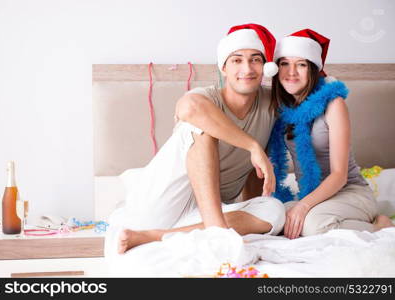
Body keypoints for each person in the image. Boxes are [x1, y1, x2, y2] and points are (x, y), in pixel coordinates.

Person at [104, 23, 286, 255]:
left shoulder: (270, 105)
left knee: (275, 210)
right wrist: (252, 145)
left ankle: (159, 237)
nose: (247, 68)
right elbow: (188, 107)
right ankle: (216, 232)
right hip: (163, 201)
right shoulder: (206, 97)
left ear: (265, 67)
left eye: (255, 60)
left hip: (209, 210)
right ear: (224, 68)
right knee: (200, 127)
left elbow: (254, 172)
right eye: (237, 60)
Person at [265, 29, 394, 239]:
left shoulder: (334, 104)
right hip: (313, 194)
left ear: (313, 69)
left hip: (349, 192)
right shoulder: (279, 108)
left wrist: (303, 206)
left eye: (301, 64)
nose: (291, 72)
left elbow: (339, 175)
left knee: (313, 227)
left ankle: (380, 226)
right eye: (284, 63)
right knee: (275, 217)